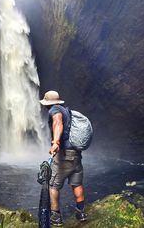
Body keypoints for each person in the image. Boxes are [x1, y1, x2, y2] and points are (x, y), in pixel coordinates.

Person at [40, 90, 87, 226]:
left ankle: (56, 217)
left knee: (53, 185)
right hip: (76, 154)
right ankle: (81, 212)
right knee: (77, 184)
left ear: (47, 103)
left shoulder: (54, 110)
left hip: (63, 155)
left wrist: (55, 142)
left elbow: (57, 122)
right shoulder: (67, 110)